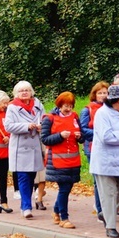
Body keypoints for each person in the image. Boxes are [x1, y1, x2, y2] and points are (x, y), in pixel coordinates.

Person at [90, 85, 119, 238]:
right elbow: (106, 136)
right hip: (104, 161)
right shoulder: (102, 113)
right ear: (112, 101)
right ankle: (110, 227)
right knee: (109, 194)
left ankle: (105, 212)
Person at [41, 92, 83, 228]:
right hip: (57, 160)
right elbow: (45, 139)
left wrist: (79, 137)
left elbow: (82, 137)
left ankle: (56, 211)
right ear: (59, 105)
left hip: (73, 159)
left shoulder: (75, 117)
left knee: (67, 187)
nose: (68, 109)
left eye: (70, 106)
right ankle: (64, 218)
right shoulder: (49, 118)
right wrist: (59, 136)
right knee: (64, 188)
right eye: (66, 106)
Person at [4, 81, 45, 218]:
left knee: (32, 176)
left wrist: (41, 127)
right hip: (20, 147)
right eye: (21, 90)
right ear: (16, 93)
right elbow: (8, 126)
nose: (24, 92)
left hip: (34, 146)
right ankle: (26, 206)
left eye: (27, 90)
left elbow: (45, 121)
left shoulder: (38, 105)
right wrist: (27, 126)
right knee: (23, 177)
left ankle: (26, 204)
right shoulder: (12, 107)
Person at [80, 81, 108, 219]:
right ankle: (100, 209)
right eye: (100, 93)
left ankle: (108, 207)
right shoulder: (87, 110)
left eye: (105, 93)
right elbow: (83, 129)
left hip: (109, 148)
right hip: (92, 147)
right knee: (98, 180)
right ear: (94, 94)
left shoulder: (112, 109)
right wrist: (99, 134)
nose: (103, 95)